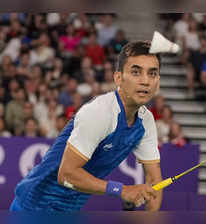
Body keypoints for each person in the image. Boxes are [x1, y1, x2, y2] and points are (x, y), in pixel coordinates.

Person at [10, 41, 163, 212]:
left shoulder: (146, 121)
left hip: (69, 210)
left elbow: (154, 180)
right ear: (118, 78)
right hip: (33, 206)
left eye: (152, 73)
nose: (145, 81)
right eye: (136, 72)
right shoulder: (100, 112)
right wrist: (122, 190)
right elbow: (66, 174)